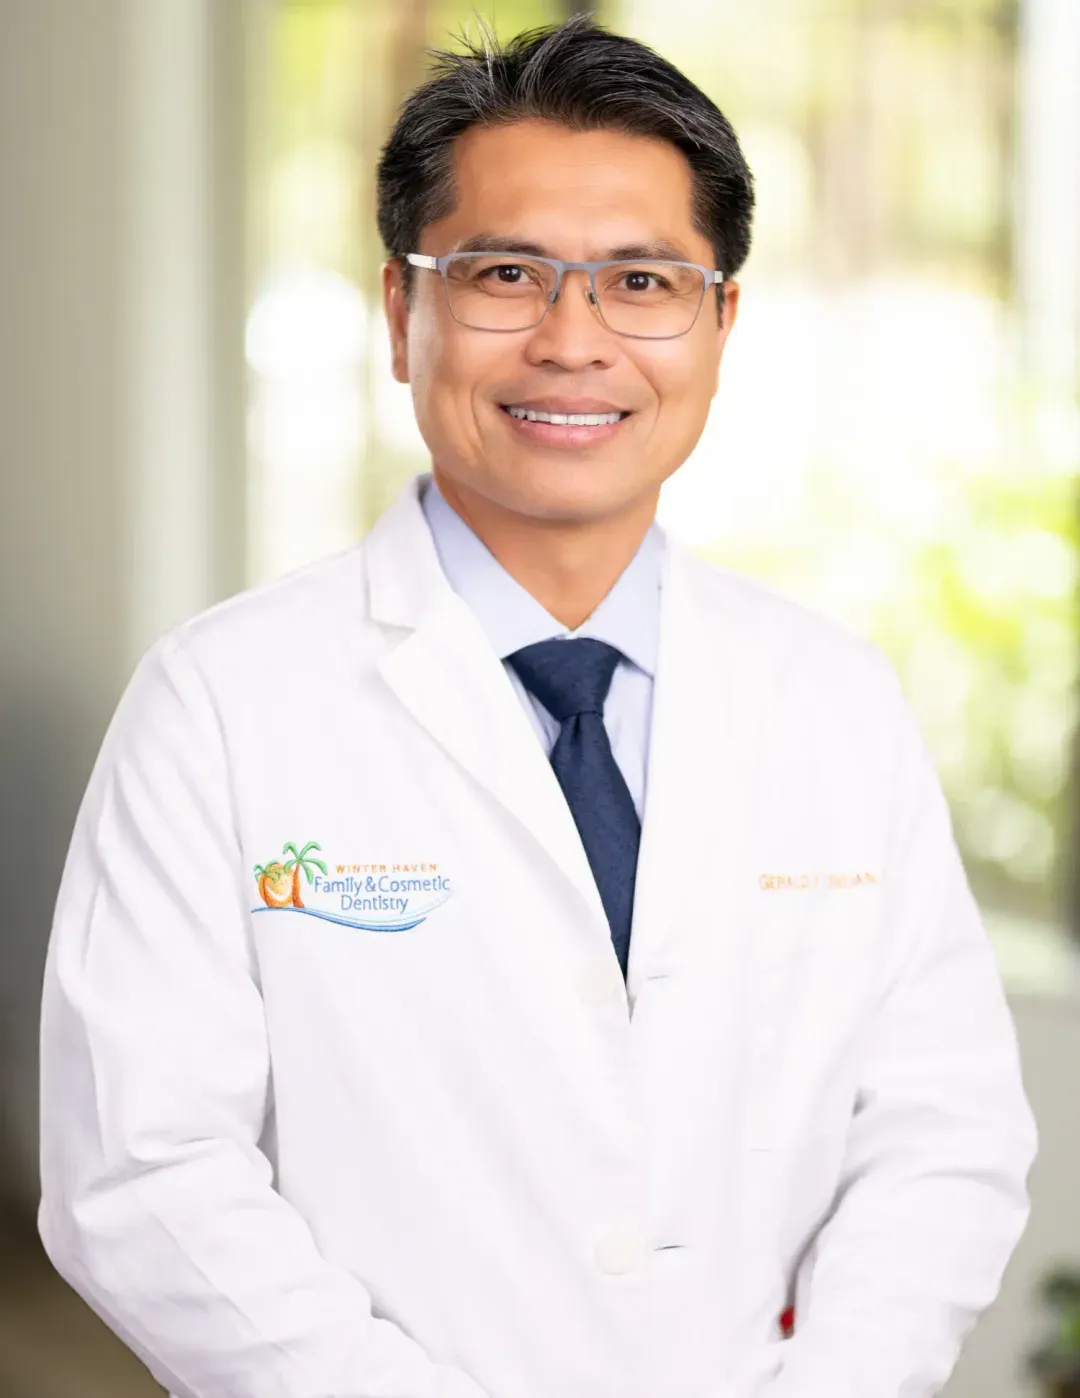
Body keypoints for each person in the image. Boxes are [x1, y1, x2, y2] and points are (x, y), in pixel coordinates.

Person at [38, 16, 1037, 1398]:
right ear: (401, 315)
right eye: (506, 274)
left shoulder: (832, 699)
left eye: (642, 281)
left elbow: (943, 1131)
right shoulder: (221, 703)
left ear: (721, 325)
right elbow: (145, 1176)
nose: (574, 341)